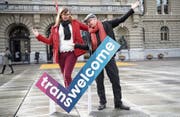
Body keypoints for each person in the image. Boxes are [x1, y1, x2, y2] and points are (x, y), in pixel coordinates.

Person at [75, 0, 140, 110]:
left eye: (90, 21)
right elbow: (87, 47)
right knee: (99, 83)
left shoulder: (107, 24)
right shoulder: (88, 33)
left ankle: (118, 103)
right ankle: (102, 102)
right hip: (96, 59)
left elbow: (121, 19)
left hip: (108, 57)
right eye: (87, 22)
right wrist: (75, 45)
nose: (88, 23)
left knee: (115, 80)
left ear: (95, 19)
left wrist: (132, 9)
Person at [32, 7, 88, 87]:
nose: (66, 16)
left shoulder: (75, 23)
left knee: (67, 75)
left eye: (68, 14)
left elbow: (88, 28)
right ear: (60, 15)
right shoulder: (55, 28)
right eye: (64, 14)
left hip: (72, 52)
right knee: (64, 76)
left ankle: (70, 94)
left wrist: (99, 26)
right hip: (60, 55)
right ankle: (68, 93)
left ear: (70, 15)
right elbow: (49, 41)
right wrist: (38, 36)